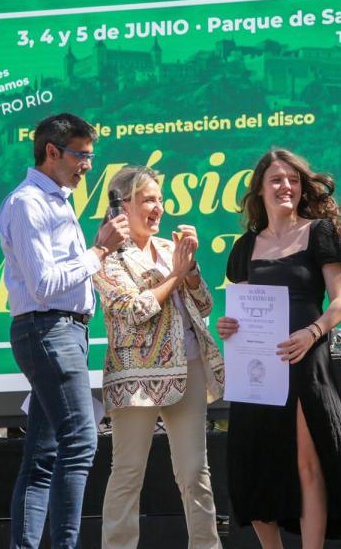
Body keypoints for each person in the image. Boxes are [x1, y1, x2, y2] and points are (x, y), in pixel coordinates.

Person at [216, 148, 341, 548]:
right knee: (254, 464)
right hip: (258, 368)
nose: (285, 186)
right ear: (260, 189)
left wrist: (313, 332)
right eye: (276, 179)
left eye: (293, 179)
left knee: (309, 464)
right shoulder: (244, 246)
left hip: (306, 361)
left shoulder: (319, 232)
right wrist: (227, 325)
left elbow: (340, 302)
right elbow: (239, 309)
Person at [0, 113, 129, 549]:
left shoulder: (56, 200)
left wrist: (98, 253)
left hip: (61, 332)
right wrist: (98, 251)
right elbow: (45, 284)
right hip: (47, 330)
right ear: (52, 152)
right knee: (80, 441)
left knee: (42, 455)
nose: (88, 165)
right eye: (81, 155)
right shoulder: (28, 203)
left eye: (91, 155)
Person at [92, 166, 225, 549]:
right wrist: (175, 276)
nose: (158, 208)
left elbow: (204, 304)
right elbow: (135, 310)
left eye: (160, 200)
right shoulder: (106, 257)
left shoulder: (170, 248)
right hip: (134, 378)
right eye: (149, 200)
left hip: (190, 367)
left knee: (195, 472)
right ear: (123, 205)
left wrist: (192, 270)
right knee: (128, 473)